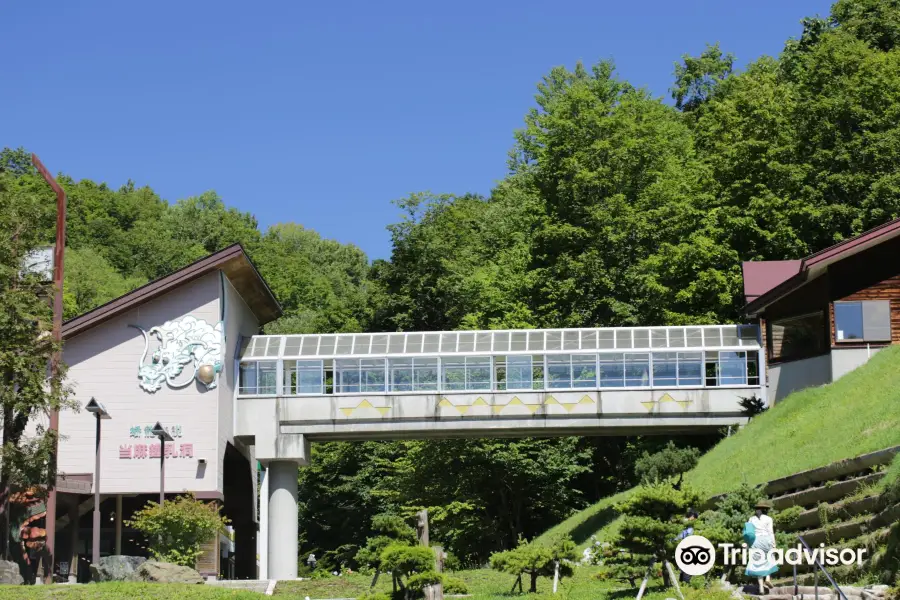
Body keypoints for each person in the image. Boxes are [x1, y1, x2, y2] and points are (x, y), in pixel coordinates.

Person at [745, 499, 778, 594]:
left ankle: (761, 588)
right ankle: (767, 578)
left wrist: (748, 545)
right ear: (765, 510)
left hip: (755, 542)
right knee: (770, 559)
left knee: (758, 564)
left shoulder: (751, 519)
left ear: (757, 510)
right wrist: (774, 544)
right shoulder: (768, 519)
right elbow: (770, 532)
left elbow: (749, 533)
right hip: (766, 540)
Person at [676, 508, 699, 584]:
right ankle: (686, 583)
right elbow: (688, 536)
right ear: (692, 516)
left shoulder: (682, 522)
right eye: (694, 518)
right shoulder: (688, 526)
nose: (694, 520)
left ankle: (682, 583)